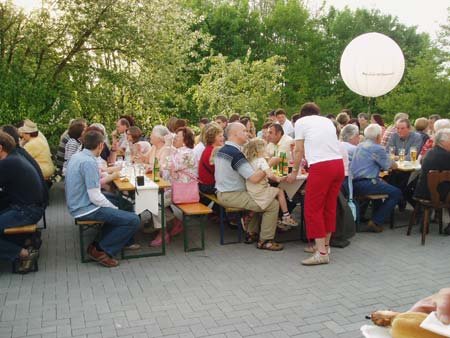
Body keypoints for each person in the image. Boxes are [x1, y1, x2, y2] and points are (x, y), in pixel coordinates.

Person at [65, 130, 140, 267]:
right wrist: (114, 210)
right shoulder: (89, 162)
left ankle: (122, 241)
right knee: (133, 220)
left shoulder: (78, 156)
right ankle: (100, 250)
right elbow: (95, 197)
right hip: (84, 207)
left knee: (125, 204)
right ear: (100, 145)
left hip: (79, 201)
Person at [287, 102, 344, 265]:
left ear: (302, 114)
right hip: (337, 164)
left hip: (321, 166)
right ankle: (325, 245)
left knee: (313, 208)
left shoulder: (300, 122)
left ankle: (321, 253)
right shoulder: (327, 121)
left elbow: (298, 150)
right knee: (329, 206)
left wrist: (293, 172)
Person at [215, 122, 283, 251]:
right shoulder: (235, 154)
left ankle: (252, 233)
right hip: (231, 195)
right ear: (235, 134)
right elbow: (254, 178)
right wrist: (270, 164)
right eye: (244, 131)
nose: (248, 133)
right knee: (272, 205)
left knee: (261, 199)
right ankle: (266, 241)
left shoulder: (223, 149)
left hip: (224, 192)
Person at [0, 131, 44, 273]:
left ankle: (24, 254)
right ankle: (26, 241)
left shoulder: (8, 163)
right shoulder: (15, 157)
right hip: (30, 208)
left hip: (26, 211)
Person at [351, 124, 401, 233]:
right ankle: (376, 221)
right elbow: (389, 166)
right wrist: (394, 162)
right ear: (378, 136)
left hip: (354, 182)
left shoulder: (360, 145)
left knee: (382, 184)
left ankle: (377, 216)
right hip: (367, 183)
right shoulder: (377, 148)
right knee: (396, 192)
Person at [243, 139, 298, 227]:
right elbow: (271, 176)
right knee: (280, 191)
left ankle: (250, 217)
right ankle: (286, 216)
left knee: (274, 193)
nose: (266, 150)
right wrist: (282, 178)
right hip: (260, 191)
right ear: (259, 150)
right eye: (265, 148)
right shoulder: (261, 160)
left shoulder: (250, 160)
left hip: (250, 190)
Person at [414, 128, 450, 234]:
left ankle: (425, 223)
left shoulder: (430, 152)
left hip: (422, 192)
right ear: (444, 142)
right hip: (437, 195)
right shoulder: (447, 155)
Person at [198, 123, 224, 194]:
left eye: (222, 136)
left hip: (205, 184)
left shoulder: (209, 149)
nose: (223, 138)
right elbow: (217, 171)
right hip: (208, 186)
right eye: (220, 136)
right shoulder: (211, 151)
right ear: (212, 138)